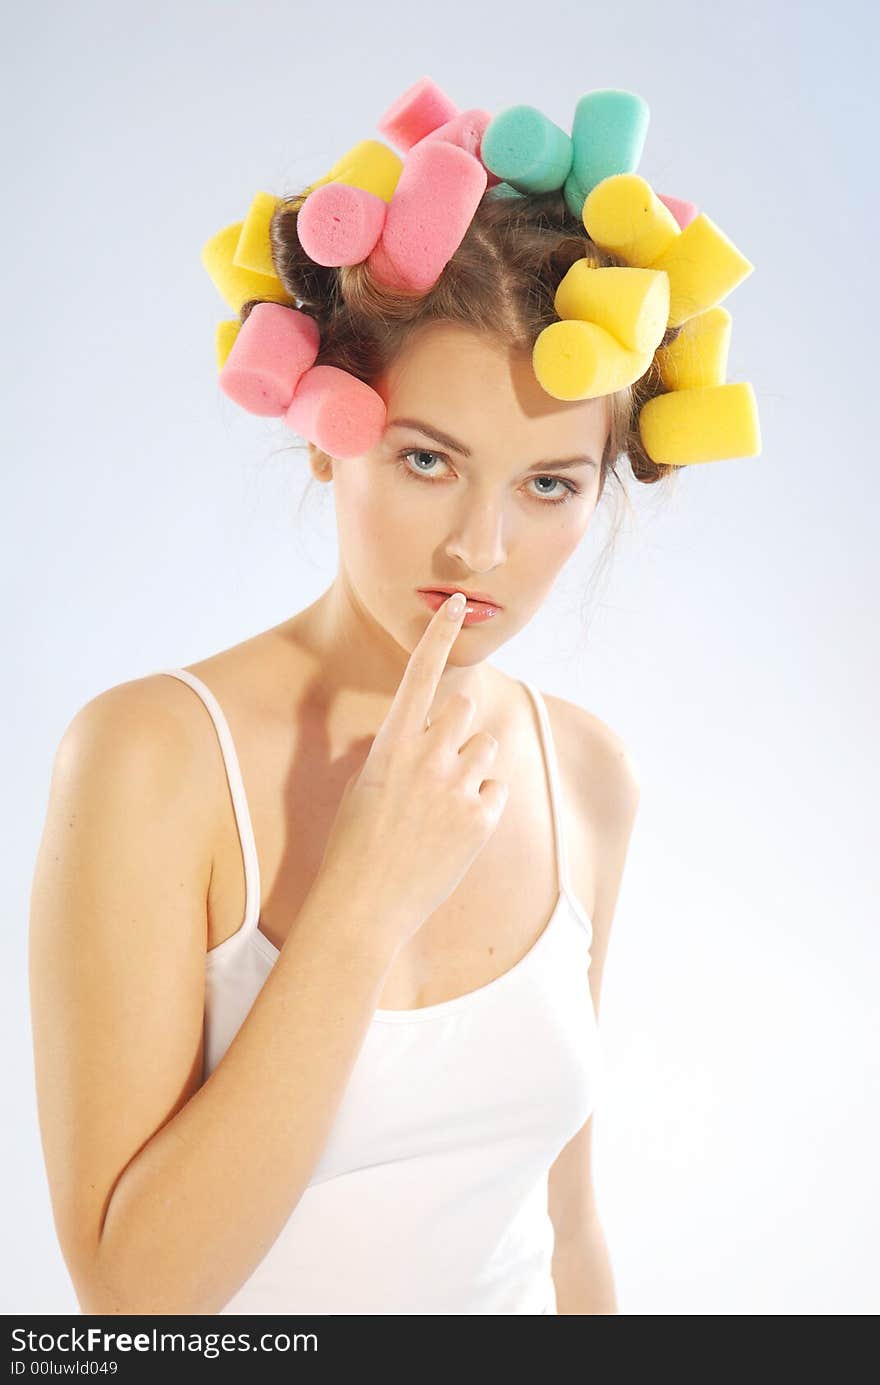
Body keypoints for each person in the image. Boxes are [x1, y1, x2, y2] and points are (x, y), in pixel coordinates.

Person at [28, 80, 758, 1317]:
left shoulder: (585, 775)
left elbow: (568, 1232)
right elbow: (132, 1298)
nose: (478, 547)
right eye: (428, 458)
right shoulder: (152, 757)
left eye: (547, 486)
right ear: (325, 428)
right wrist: (363, 903)